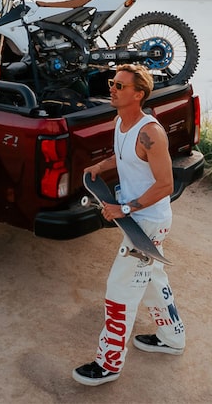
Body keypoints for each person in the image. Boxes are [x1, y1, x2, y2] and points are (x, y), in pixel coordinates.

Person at [73, 64, 186, 386]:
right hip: (138, 219)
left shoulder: (151, 134)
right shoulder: (120, 121)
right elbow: (125, 157)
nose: (112, 88)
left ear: (138, 94)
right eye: (112, 83)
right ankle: (172, 337)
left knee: (120, 289)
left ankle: (108, 363)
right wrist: (101, 165)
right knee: (152, 278)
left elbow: (165, 185)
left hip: (148, 223)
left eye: (120, 86)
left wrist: (123, 208)